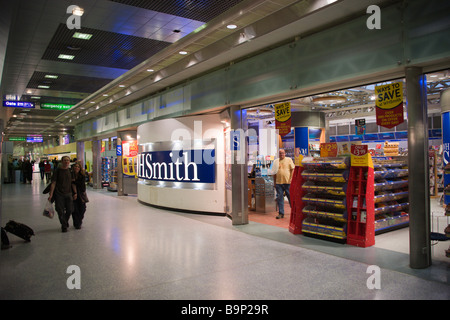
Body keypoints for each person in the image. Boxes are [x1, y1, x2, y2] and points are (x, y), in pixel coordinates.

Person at [48, 156, 76, 232]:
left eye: (68, 160)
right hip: (59, 194)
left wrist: (75, 192)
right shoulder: (57, 171)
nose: (66, 162)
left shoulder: (70, 171)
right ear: (62, 161)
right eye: (65, 160)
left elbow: (73, 183)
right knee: (60, 210)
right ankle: (64, 225)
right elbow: (53, 183)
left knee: (70, 209)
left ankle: (65, 221)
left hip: (69, 193)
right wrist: (51, 194)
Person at [273, 148, 295, 219]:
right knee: (280, 198)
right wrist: (274, 182)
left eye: (282, 153)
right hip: (279, 182)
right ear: (278, 154)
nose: (281, 154)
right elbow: (274, 172)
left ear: (285, 153)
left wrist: (291, 179)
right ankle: (281, 213)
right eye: (280, 153)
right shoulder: (276, 161)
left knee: (290, 197)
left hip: (287, 182)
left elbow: (292, 169)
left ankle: (294, 212)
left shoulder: (289, 160)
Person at [71, 162, 87, 229]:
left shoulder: (82, 176)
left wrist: (75, 182)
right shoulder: (71, 175)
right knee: (75, 209)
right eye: (75, 167)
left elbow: (82, 186)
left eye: (78, 167)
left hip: (81, 194)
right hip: (73, 194)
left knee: (82, 208)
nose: (76, 168)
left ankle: (79, 220)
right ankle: (77, 223)